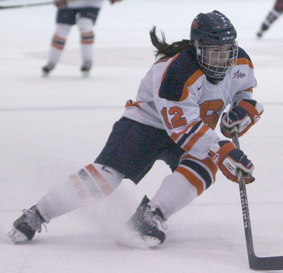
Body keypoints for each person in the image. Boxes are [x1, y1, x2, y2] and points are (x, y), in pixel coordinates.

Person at [8, 10, 263, 248]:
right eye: (212, 52)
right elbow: (182, 128)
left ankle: (150, 216)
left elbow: (243, 91)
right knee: (105, 178)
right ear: (196, 48)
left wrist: (243, 110)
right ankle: (37, 213)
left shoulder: (240, 61)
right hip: (147, 124)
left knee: (205, 165)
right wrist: (222, 149)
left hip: (192, 129)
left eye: (226, 51)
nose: (221, 59)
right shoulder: (176, 72)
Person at [42, 0, 121, 76]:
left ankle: (87, 61)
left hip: (91, 3)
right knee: (61, 32)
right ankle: (51, 62)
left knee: (85, 25)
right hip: (69, 4)